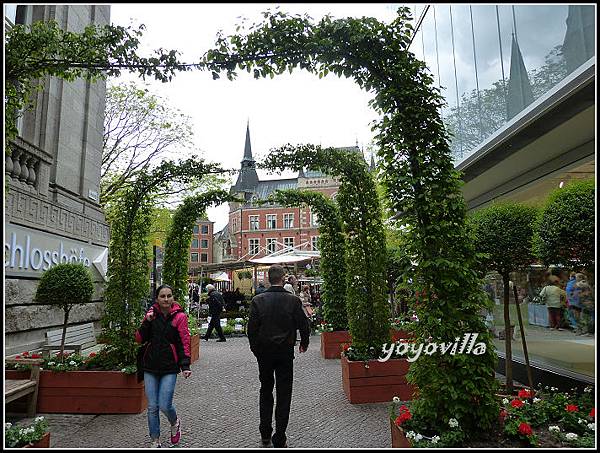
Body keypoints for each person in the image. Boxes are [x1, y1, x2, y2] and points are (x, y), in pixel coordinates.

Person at [247, 264, 310, 448]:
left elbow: (251, 330)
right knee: (284, 393)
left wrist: (256, 349)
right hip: (284, 352)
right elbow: (303, 325)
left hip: (264, 352)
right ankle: (280, 436)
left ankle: (265, 431)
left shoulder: (258, 300)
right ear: (283, 278)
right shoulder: (293, 301)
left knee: (265, 389)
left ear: (268, 278)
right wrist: (304, 343)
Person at [135, 284, 192, 448]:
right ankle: (155, 440)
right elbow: (139, 338)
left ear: (173, 297)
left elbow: (184, 341)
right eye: (162, 296)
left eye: (169, 296)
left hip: (169, 367)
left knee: (164, 404)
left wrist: (185, 365)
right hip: (151, 366)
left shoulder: (179, 317)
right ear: (157, 299)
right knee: (152, 406)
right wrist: (147, 321)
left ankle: (174, 422)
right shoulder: (151, 314)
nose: (166, 299)